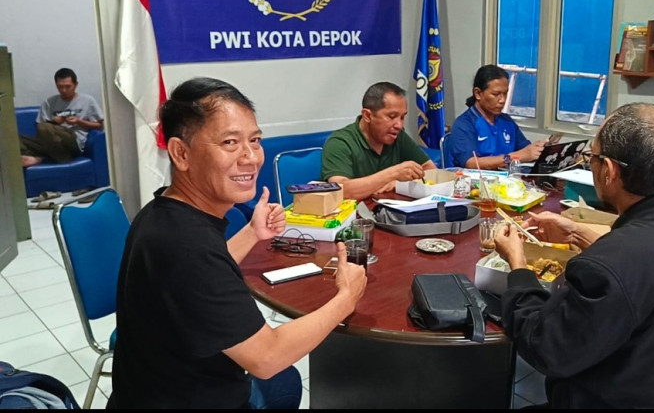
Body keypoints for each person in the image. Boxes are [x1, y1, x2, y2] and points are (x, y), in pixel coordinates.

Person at [107, 77, 367, 409]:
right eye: (230, 142)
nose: (250, 158)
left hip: (159, 387)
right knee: (281, 377)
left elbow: (200, 278)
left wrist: (253, 234)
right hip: (188, 398)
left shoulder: (164, 213)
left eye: (255, 140)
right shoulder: (186, 244)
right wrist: (347, 297)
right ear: (180, 153)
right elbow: (267, 356)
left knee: (284, 383)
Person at [493, 103, 654, 408]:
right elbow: (652, 255)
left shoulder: (607, 265)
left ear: (609, 170)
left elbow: (544, 347)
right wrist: (575, 231)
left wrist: (518, 268)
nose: (592, 164)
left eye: (592, 158)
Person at [321, 81, 436, 199]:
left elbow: (430, 169)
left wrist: (399, 184)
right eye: (392, 116)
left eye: (402, 117)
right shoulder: (339, 142)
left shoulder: (397, 136)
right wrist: (393, 174)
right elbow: (341, 190)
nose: (399, 125)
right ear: (367, 115)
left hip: (389, 212)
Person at [448, 64, 546, 170]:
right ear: (478, 93)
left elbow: (525, 150)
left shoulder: (506, 121)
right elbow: (471, 163)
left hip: (510, 181)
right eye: (496, 94)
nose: (502, 100)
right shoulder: (464, 124)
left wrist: (540, 150)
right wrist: (516, 157)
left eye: (505, 94)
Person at [19, 68, 104, 167]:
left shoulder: (88, 101)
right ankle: (50, 158)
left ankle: (41, 159)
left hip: (73, 141)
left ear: (76, 84)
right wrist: (54, 122)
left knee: (45, 127)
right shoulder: (49, 102)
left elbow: (100, 126)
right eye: (60, 87)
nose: (64, 90)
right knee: (13, 138)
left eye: (68, 86)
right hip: (51, 142)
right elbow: (39, 129)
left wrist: (79, 121)